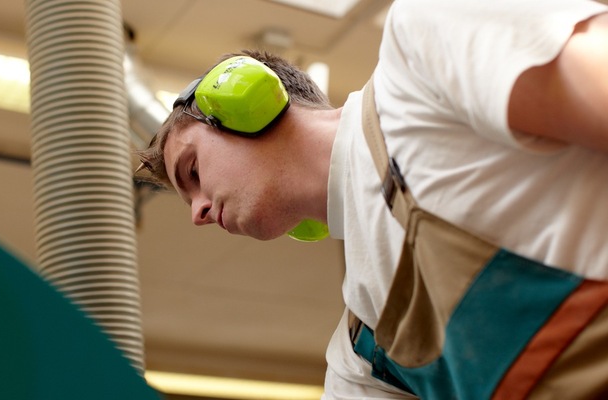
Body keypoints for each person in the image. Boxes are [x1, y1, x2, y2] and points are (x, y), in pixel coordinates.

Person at [136, 0, 608, 398]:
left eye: (193, 171)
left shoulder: (422, 49)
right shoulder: (360, 357)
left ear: (243, 98)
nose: (197, 212)